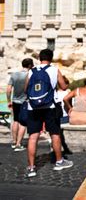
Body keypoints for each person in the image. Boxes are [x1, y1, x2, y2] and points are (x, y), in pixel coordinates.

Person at [24, 49, 73, 178]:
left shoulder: (31, 71)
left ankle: (31, 168)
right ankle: (59, 162)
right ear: (51, 58)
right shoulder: (54, 70)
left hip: (33, 107)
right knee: (55, 134)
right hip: (50, 106)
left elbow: (25, 89)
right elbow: (63, 87)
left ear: (40, 58)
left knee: (33, 137)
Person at [6, 58, 34, 151]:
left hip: (15, 101)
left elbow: (9, 89)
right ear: (30, 65)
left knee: (15, 121)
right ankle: (18, 144)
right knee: (23, 123)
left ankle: (14, 142)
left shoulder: (14, 75)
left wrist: (9, 101)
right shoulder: (30, 75)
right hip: (25, 102)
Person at [55, 76, 73, 154]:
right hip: (65, 117)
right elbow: (71, 106)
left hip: (56, 117)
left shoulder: (54, 94)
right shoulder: (67, 93)